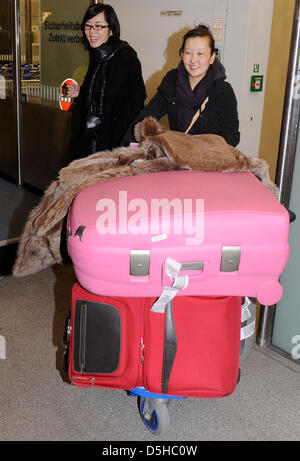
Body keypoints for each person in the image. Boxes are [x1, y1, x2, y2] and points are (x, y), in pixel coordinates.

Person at [122, 24, 239, 147]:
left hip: (209, 161)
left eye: (200, 54)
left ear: (211, 57)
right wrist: (128, 146)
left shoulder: (223, 91)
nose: (193, 60)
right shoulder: (172, 82)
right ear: (182, 54)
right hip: (179, 157)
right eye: (188, 53)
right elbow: (148, 115)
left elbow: (231, 136)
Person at [67, 3, 146, 158]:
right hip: (90, 136)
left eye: (98, 26)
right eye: (88, 26)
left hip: (113, 140)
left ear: (111, 30)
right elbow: (98, 92)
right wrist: (80, 92)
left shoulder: (126, 58)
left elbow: (137, 101)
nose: (91, 32)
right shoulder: (97, 55)